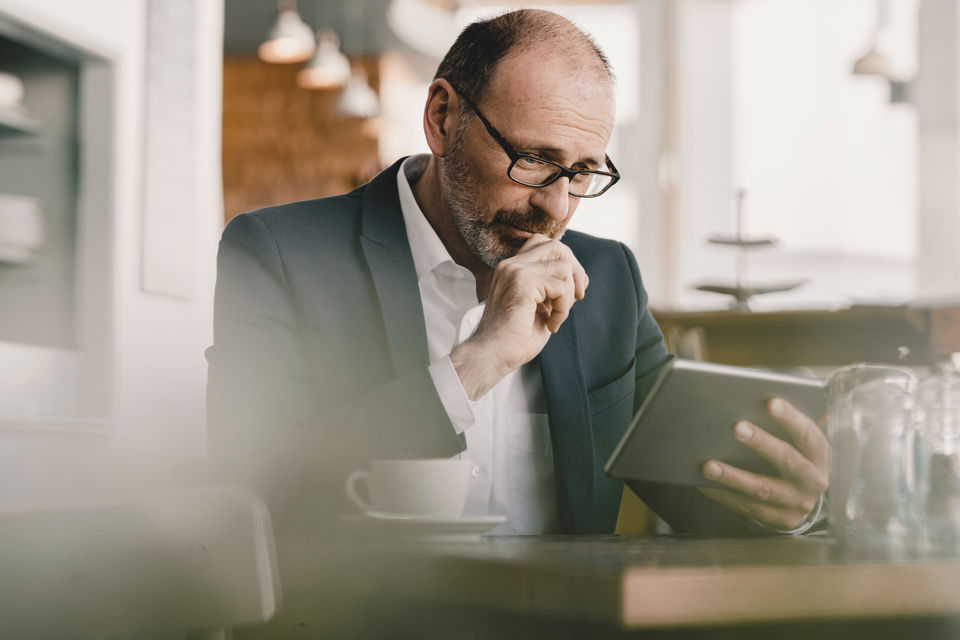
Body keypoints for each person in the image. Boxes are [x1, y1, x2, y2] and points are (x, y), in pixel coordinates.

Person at [206, 9, 828, 539]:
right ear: (443, 118)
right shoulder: (280, 252)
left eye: (584, 172)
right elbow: (253, 488)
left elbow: (698, 493)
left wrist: (786, 505)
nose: (557, 208)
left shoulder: (607, 278)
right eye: (534, 161)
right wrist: (479, 360)